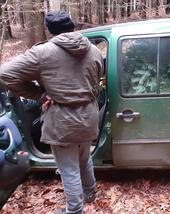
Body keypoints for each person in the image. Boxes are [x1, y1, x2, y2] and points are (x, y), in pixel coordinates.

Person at [0, 11, 103, 214]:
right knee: (84, 159)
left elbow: (5, 74)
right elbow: (96, 79)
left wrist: (39, 94)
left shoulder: (42, 53)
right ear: (72, 27)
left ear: (49, 30)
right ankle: (90, 193)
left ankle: (74, 210)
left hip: (63, 122)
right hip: (89, 118)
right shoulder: (94, 50)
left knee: (69, 169)